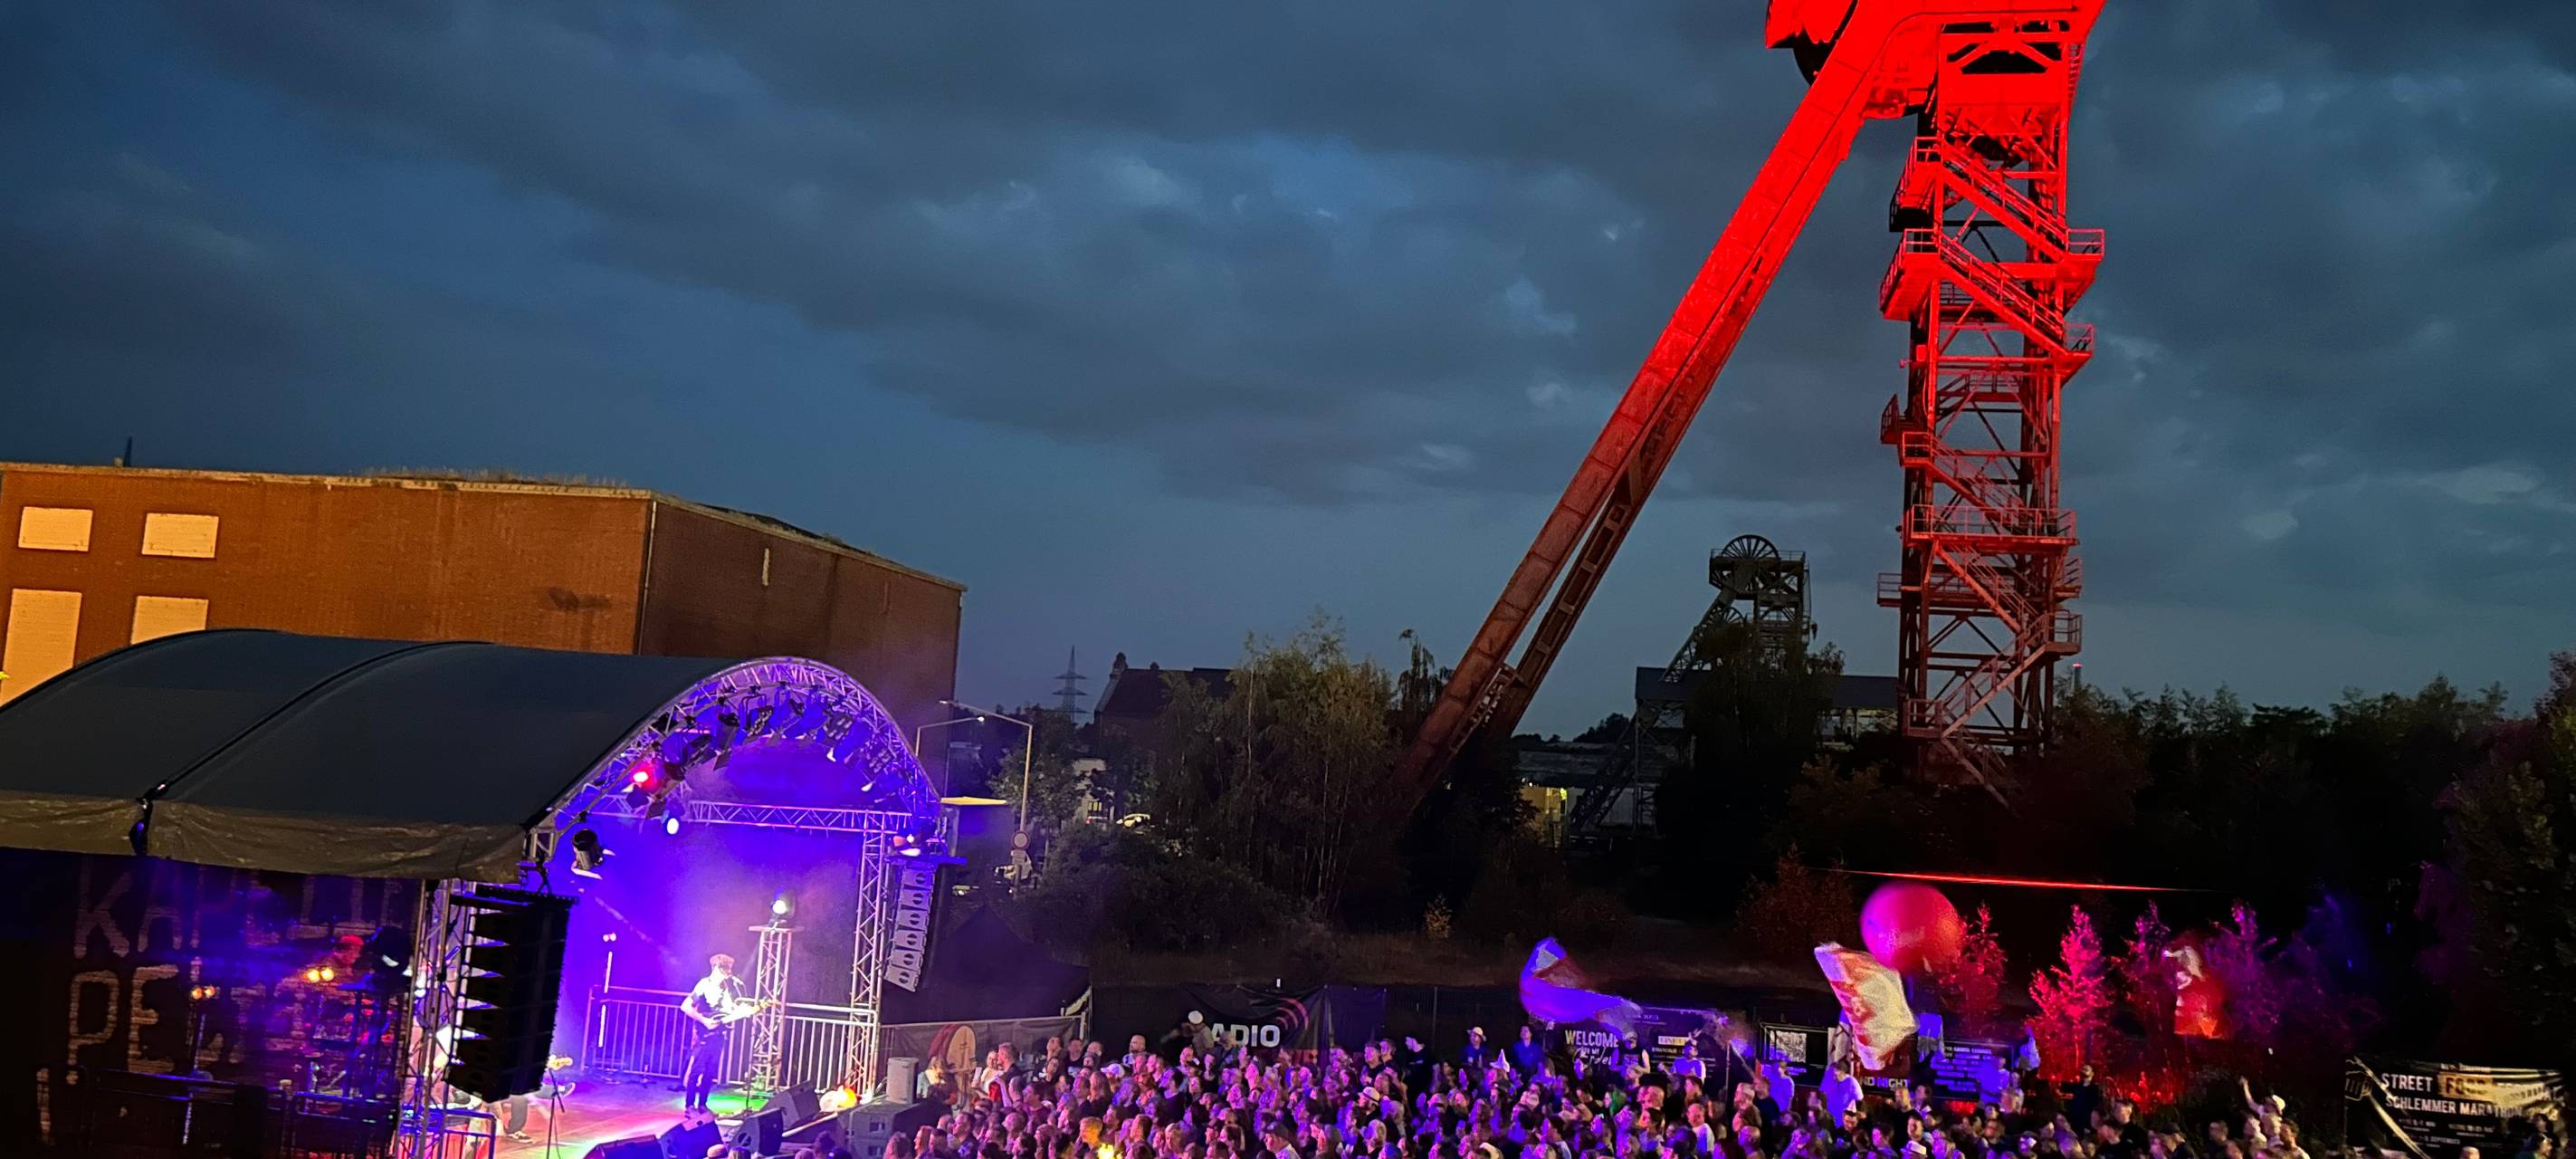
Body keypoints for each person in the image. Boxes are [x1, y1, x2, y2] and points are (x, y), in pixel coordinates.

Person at [680, 953, 752, 1112]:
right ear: (717, 968)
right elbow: (685, 1006)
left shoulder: (727, 988)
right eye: (726, 968)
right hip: (703, 1035)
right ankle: (689, 1105)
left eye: (730, 969)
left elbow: (729, 1011)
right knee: (696, 1070)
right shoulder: (704, 985)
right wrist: (704, 1021)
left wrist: (744, 1011)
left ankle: (703, 1104)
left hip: (719, 1036)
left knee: (711, 1071)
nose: (729, 972)